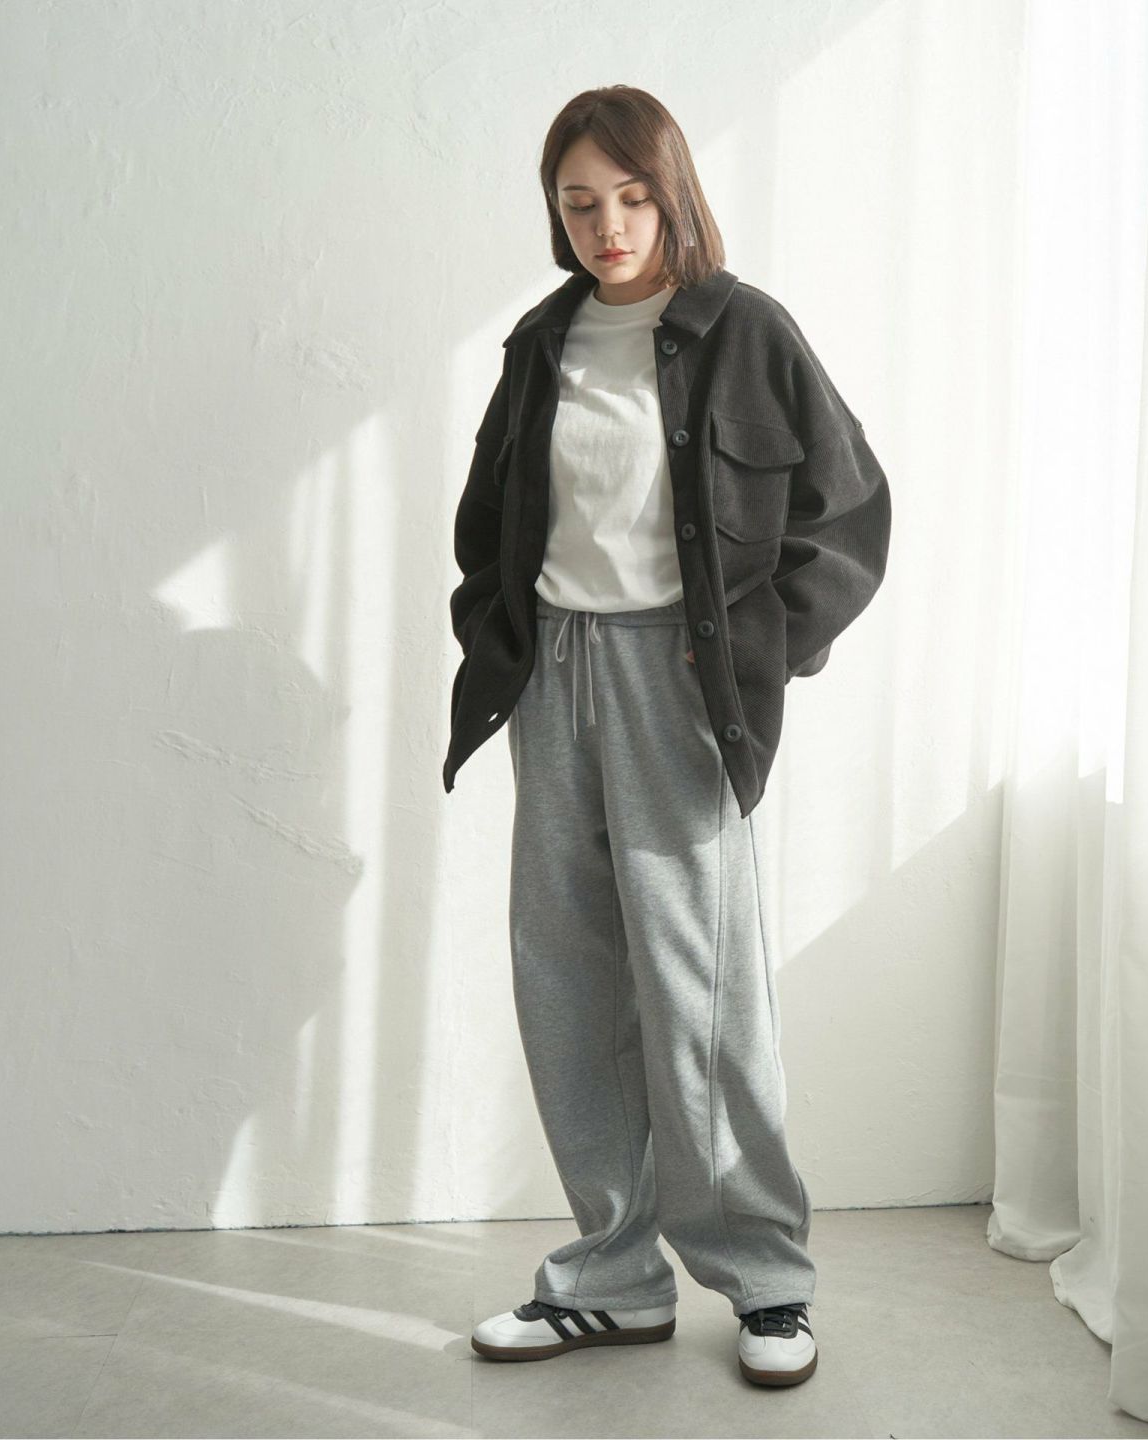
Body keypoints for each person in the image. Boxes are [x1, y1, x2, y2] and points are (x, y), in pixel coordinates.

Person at [451, 85, 891, 1388]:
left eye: (633, 197)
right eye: (580, 201)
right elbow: (488, 524)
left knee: (701, 986)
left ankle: (765, 1279)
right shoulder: (543, 343)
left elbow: (849, 512)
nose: (608, 225)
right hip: (554, 675)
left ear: (673, 194)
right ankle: (612, 1276)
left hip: (677, 676)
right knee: (570, 976)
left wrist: (760, 650)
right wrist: (500, 637)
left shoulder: (744, 331)